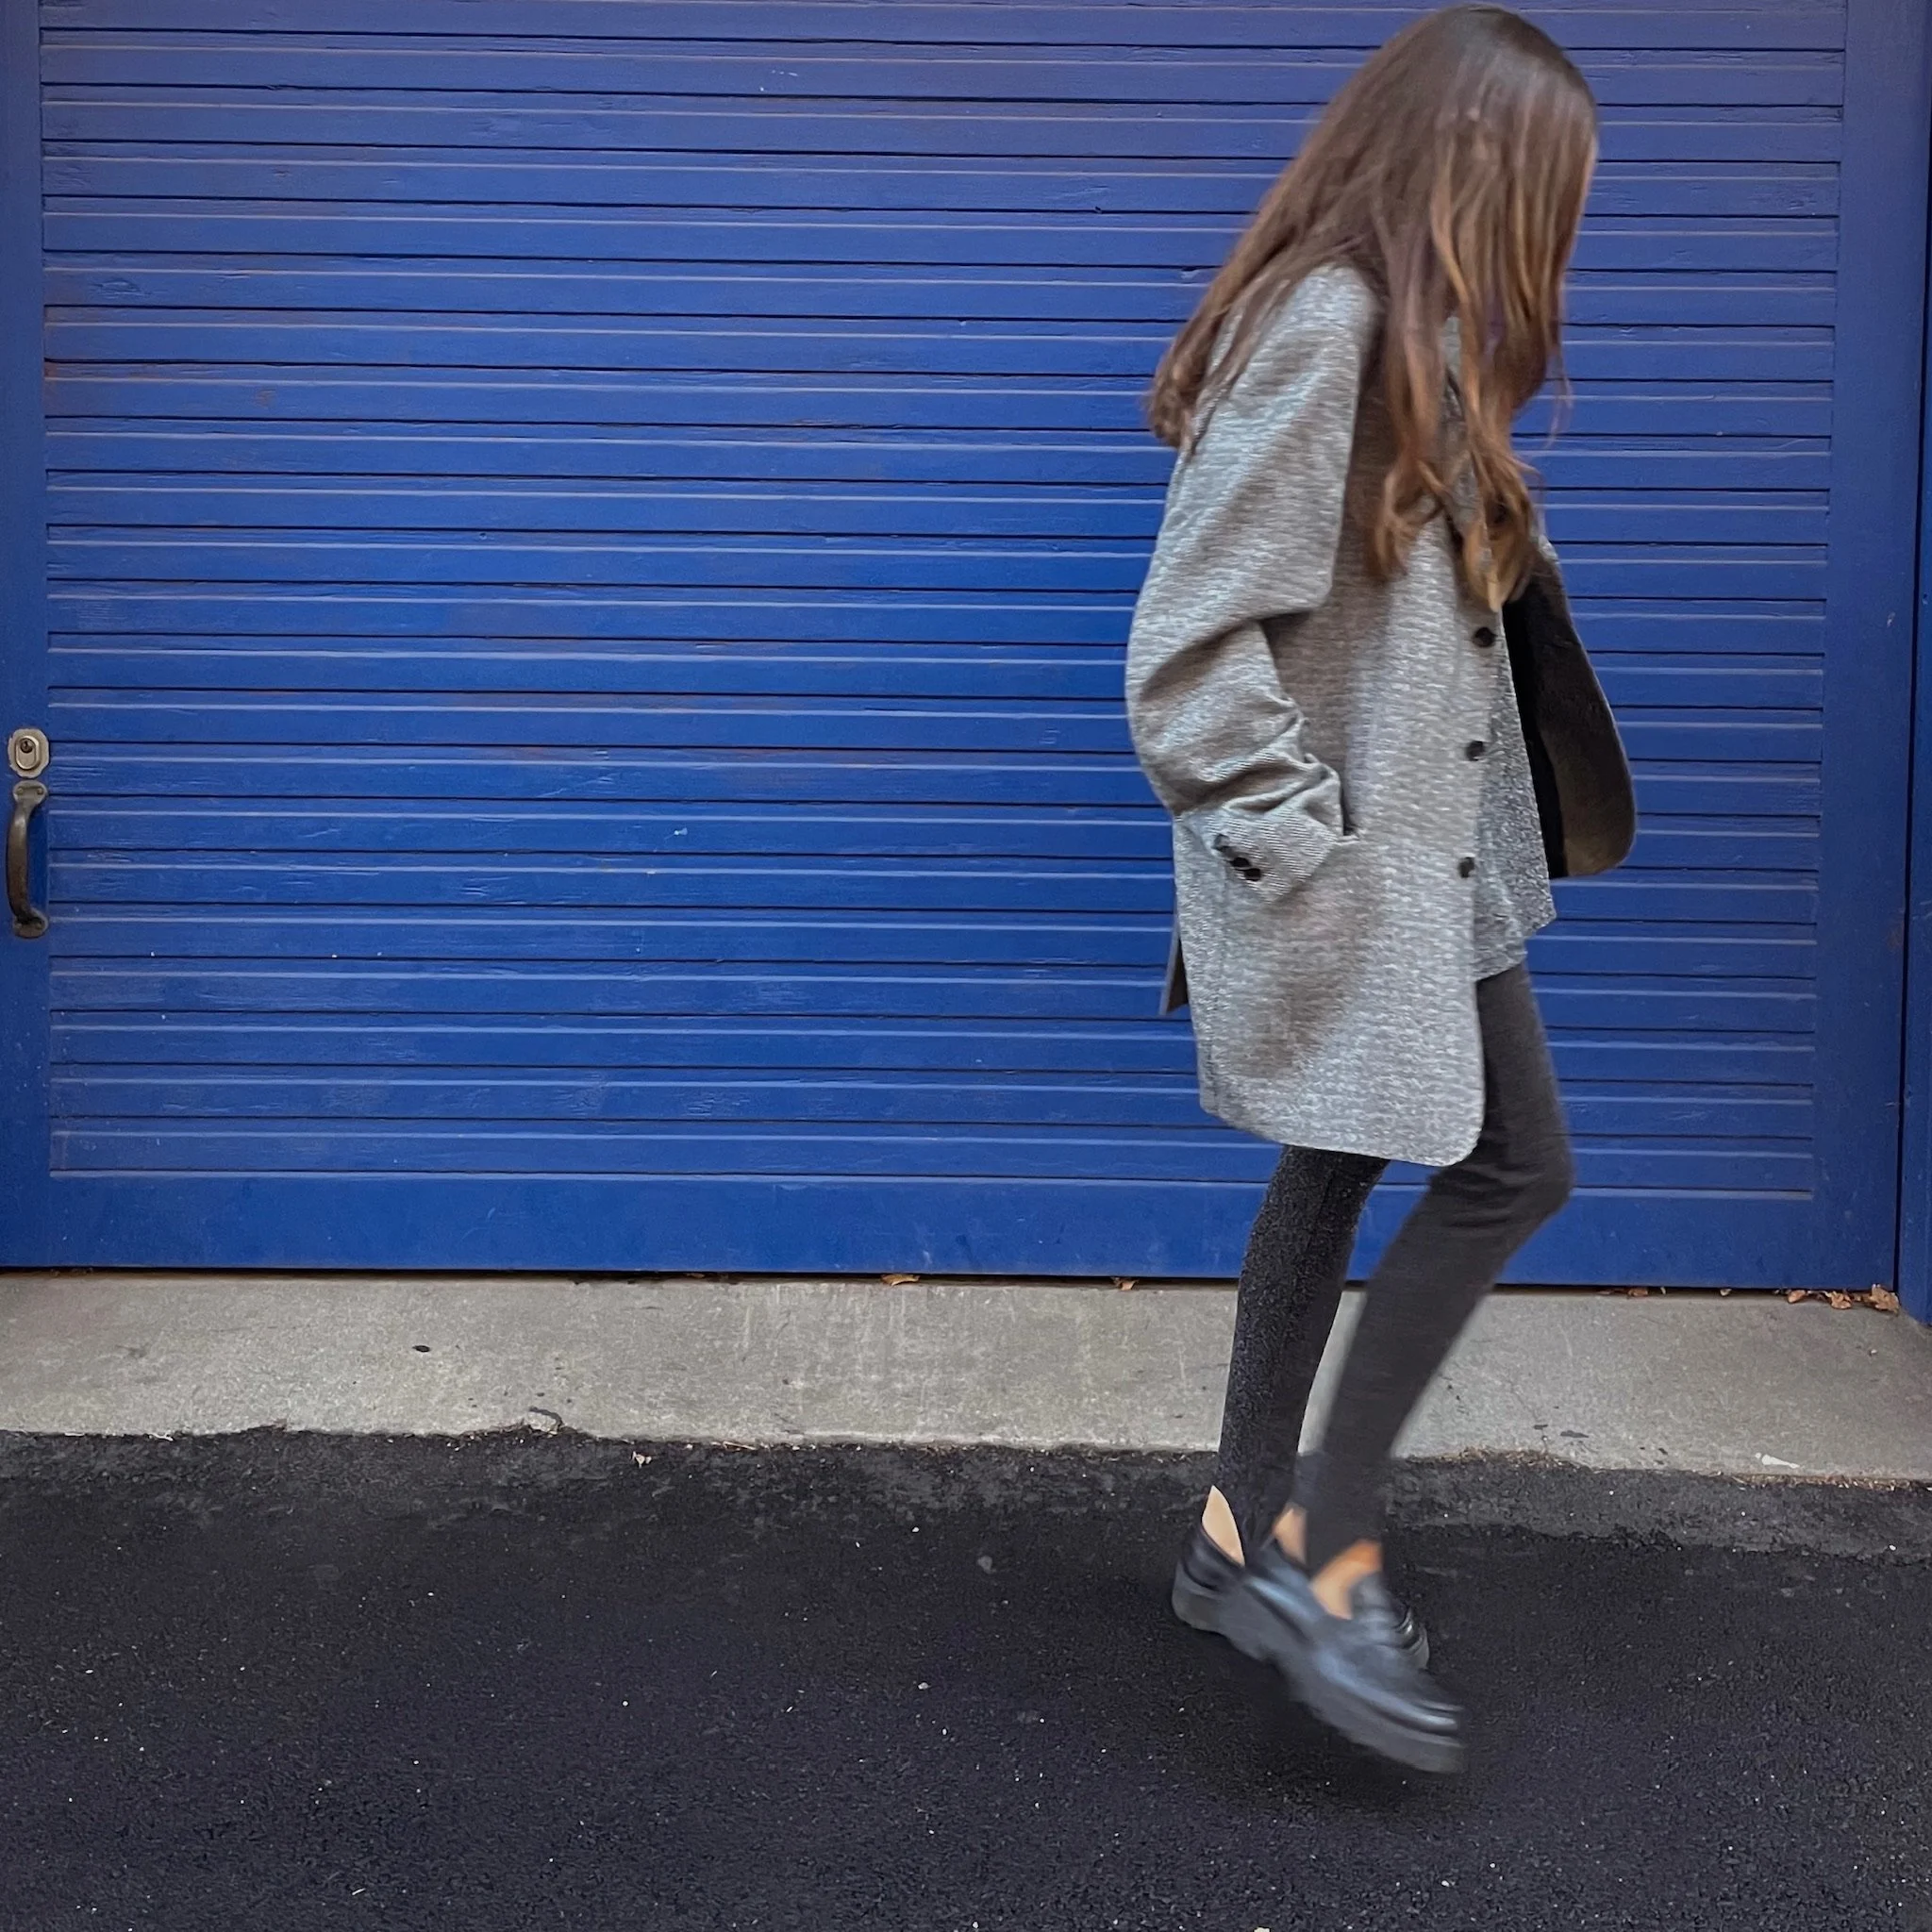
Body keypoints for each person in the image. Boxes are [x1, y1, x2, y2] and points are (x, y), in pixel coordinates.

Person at [1124, 4, 1636, 1774]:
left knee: (1346, 1152)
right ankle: (1322, 1558)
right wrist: (1307, 856)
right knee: (1516, 1165)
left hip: (1442, 841)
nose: (1560, 231)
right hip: (1372, 856)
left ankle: (1231, 1533)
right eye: (1554, 189)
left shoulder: (1410, 334)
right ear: (1475, 163)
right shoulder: (1330, 325)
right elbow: (1189, 655)